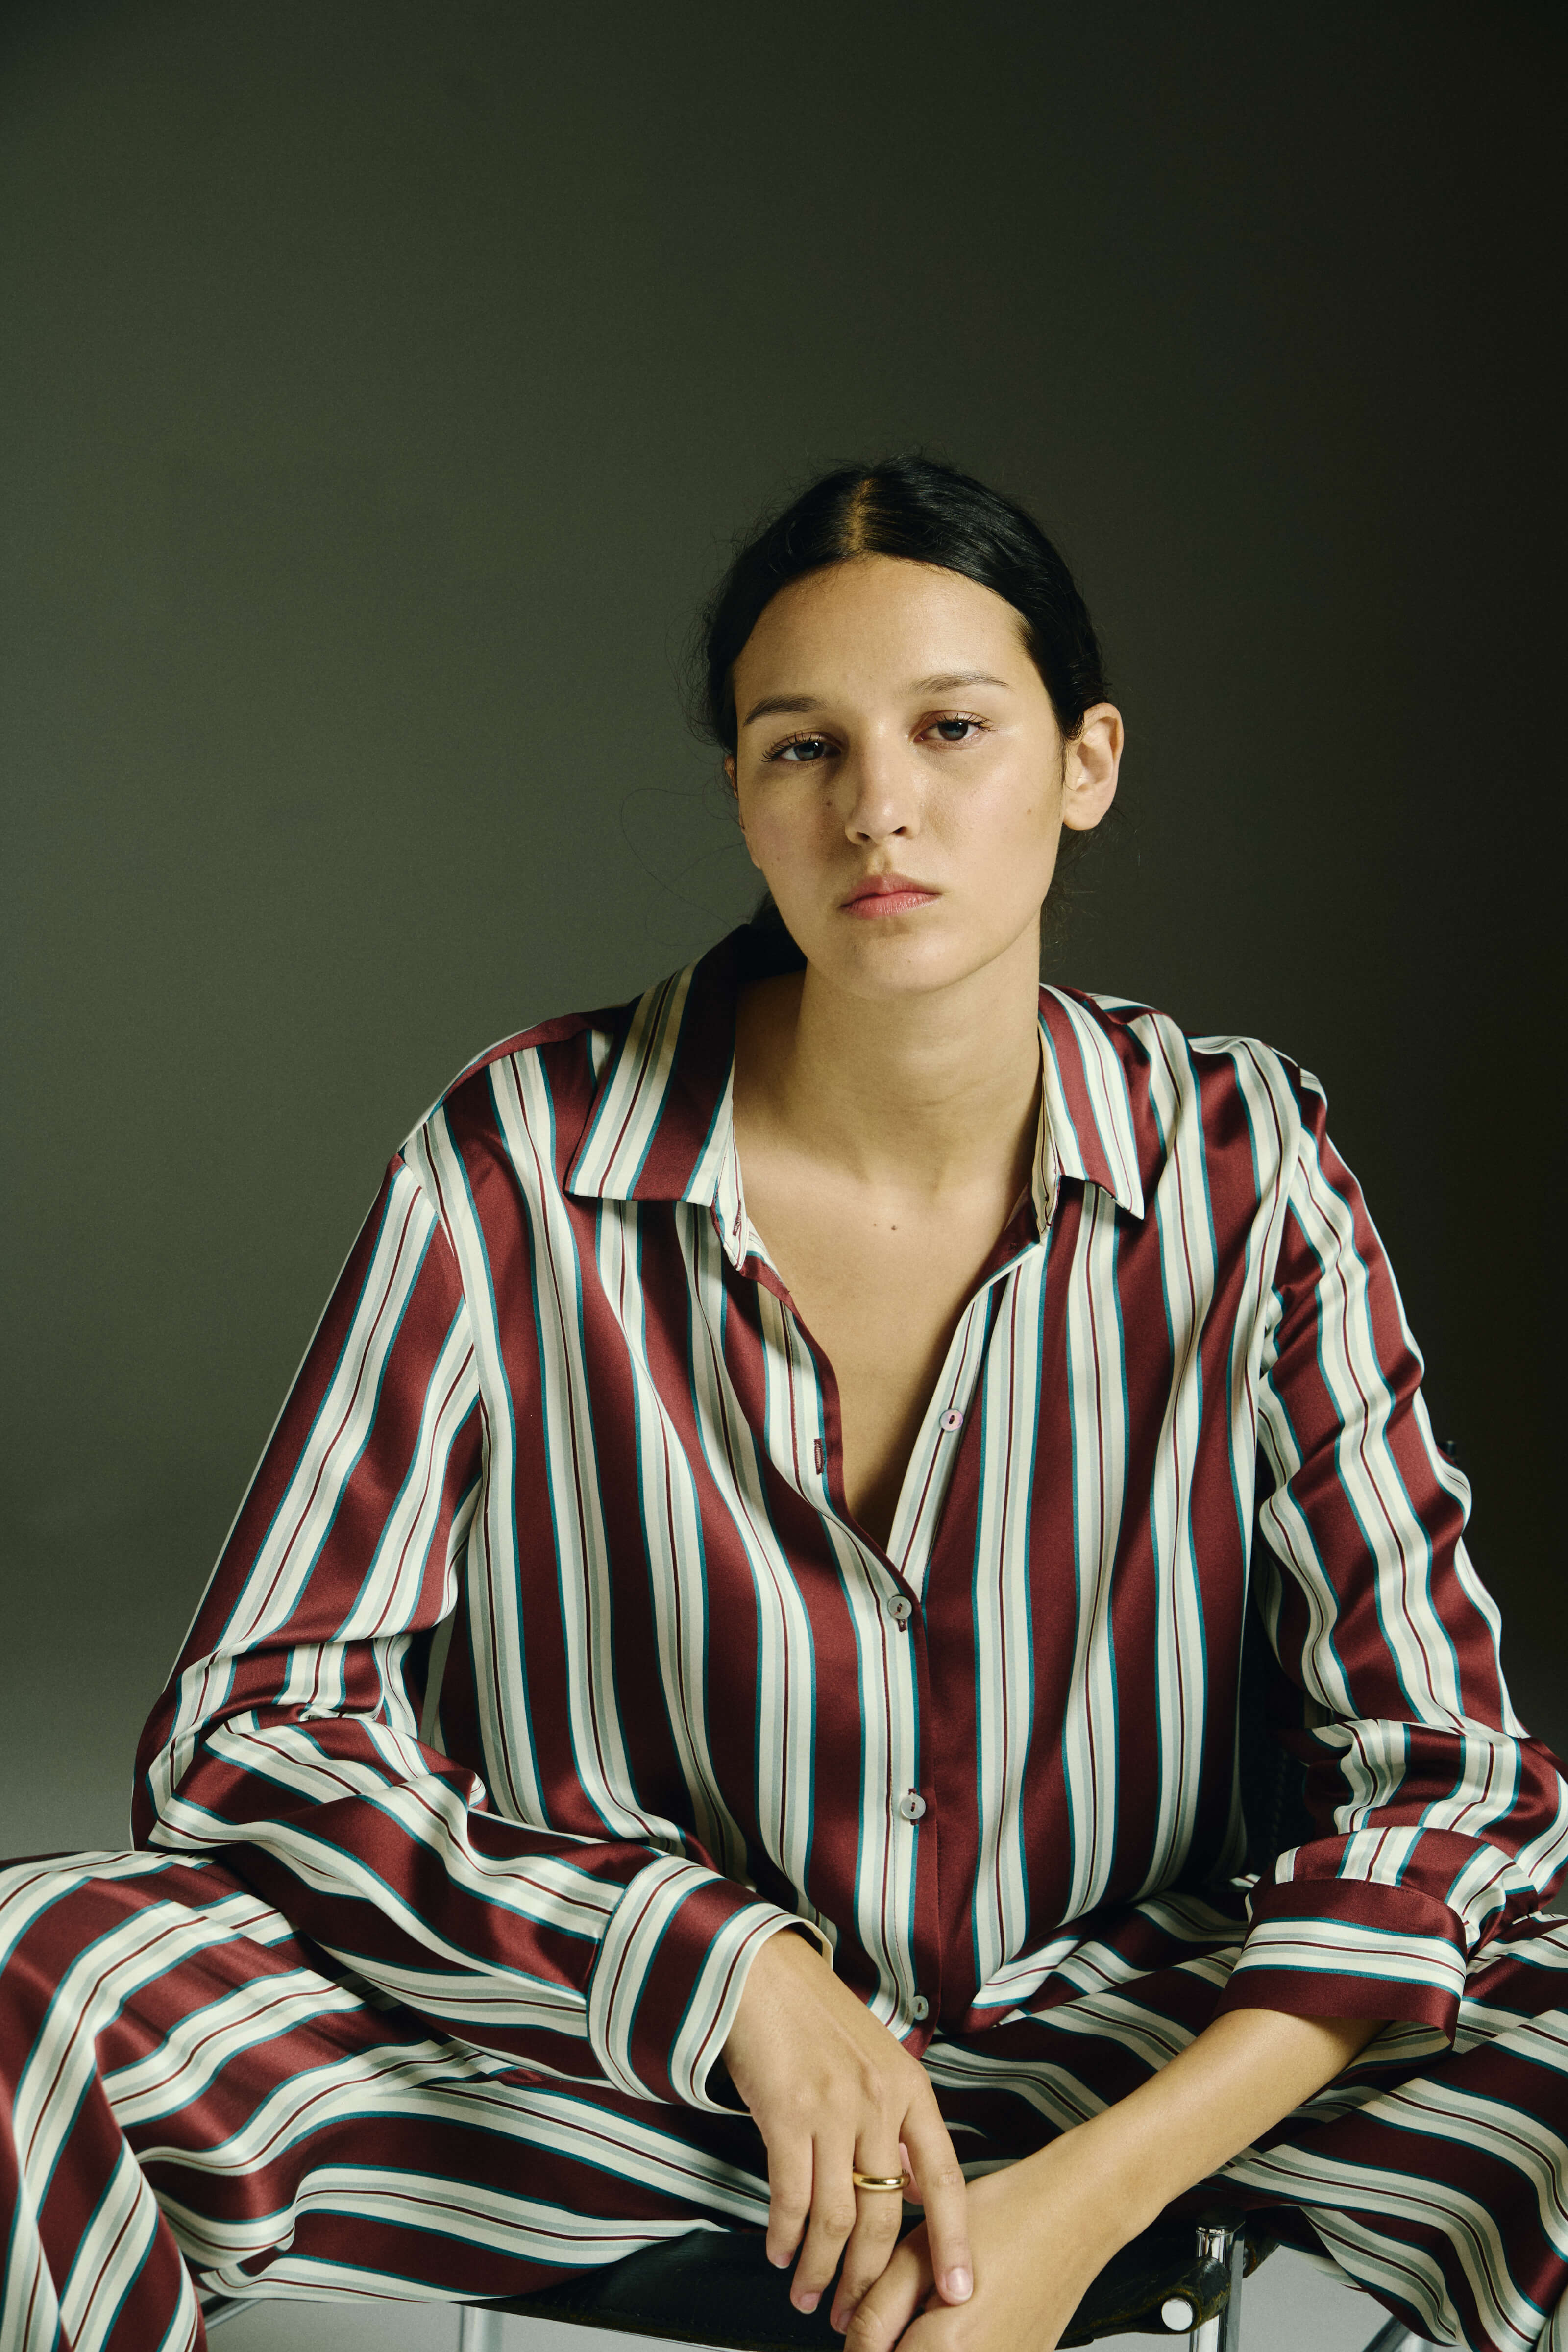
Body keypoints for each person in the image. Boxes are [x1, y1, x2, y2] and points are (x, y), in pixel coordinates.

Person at [3, 456, 1566, 2352]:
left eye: (953, 729)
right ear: (742, 795)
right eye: (798, 747)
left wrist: (1077, 2208)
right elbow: (251, 1731)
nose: (878, 809)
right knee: (38, 1969)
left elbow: (1454, 1778)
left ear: (1087, 764)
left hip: (1133, 2075)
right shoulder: (523, 1158)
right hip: (628, 2084)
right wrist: (720, 1972)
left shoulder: (1243, 1162)